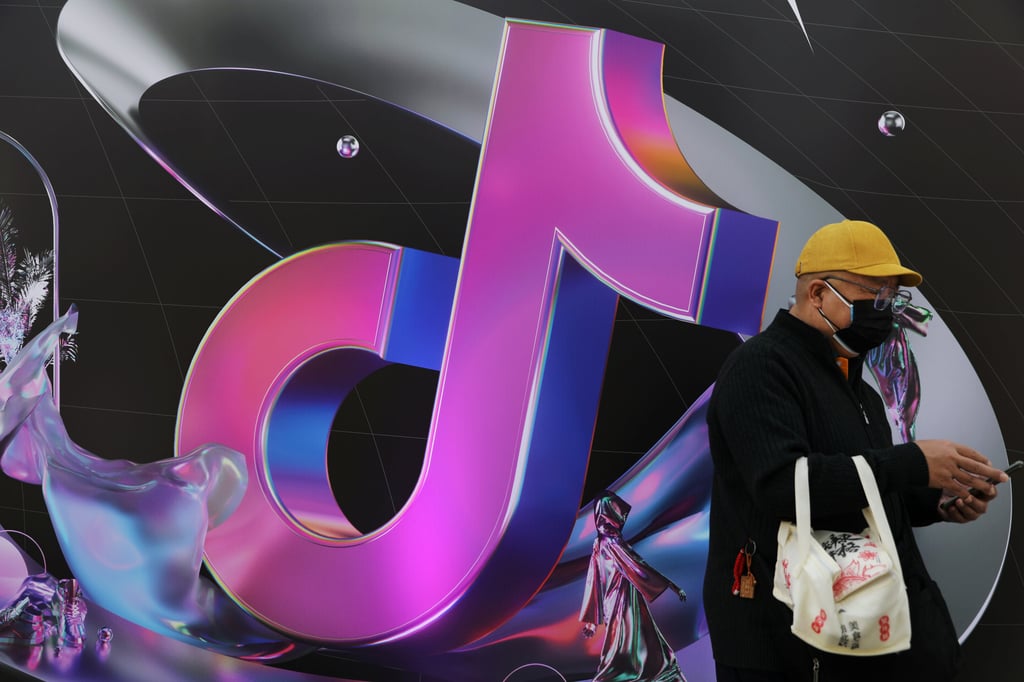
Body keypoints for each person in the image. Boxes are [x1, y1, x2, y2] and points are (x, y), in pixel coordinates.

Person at [702, 219, 1008, 681]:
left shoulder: (856, 387)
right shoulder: (761, 366)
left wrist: (938, 499)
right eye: (874, 293)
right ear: (818, 294)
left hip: (862, 636)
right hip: (786, 643)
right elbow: (784, 486)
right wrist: (912, 462)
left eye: (891, 297)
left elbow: (862, 491)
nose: (884, 309)